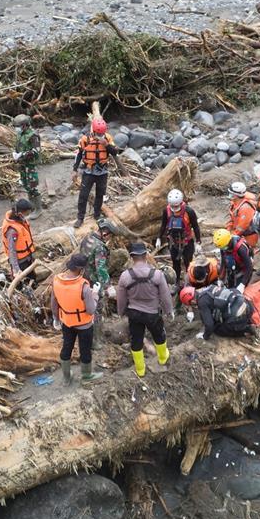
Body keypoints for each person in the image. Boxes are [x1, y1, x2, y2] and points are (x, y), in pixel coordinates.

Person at [116, 240, 174, 378]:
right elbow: (165, 295)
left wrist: (120, 312)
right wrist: (169, 311)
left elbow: (121, 297)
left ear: (131, 257)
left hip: (134, 314)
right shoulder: (157, 274)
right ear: (146, 255)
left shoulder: (125, 276)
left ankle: (140, 369)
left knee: (136, 340)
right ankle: (162, 358)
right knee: (159, 335)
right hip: (152, 313)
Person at [50, 253, 103, 385]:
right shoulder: (84, 286)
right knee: (85, 350)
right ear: (81, 269)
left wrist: (56, 319)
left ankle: (66, 377)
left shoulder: (56, 280)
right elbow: (91, 309)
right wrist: (95, 294)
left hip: (67, 322)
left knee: (67, 347)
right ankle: (86, 375)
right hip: (84, 325)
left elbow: (54, 303)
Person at [72, 118, 120, 228]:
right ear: (93, 130)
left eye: (102, 133)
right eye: (98, 133)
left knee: (100, 194)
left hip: (102, 172)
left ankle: (97, 215)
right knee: (83, 195)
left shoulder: (107, 138)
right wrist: (75, 170)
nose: (100, 135)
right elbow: (79, 154)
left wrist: (106, 144)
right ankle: (80, 218)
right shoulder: (86, 139)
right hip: (88, 171)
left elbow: (115, 152)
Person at [156, 189, 200, 288]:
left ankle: (190, 281)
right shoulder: (166, 211)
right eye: (172, 206)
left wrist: (198, 242)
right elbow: (163, 225)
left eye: (176, 206)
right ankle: (176, 282)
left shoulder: (189, 211)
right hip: (173, 242)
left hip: (187, 241)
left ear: (180, 203)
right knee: (175, 263)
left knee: (188, 262)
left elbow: (196, 227)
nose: (174, 208)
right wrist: (159, 238)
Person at [179, 283, 255, 340]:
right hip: (248, 306)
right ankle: (248, 321)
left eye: (190, 304)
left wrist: (205, 336)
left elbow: (210, 326)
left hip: (239, 315)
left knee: (217, 330)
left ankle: (246, 330)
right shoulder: (209, 288)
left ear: (192, 301)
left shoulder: (202, 302)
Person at [11, 115, 43, 218]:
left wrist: (22, 154)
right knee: (26, 185)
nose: (17, 128)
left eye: (18, 126)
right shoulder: (20, 134)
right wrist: (15, 153)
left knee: (32, 186)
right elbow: (18, 146)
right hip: (23, 164)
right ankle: (32, 207)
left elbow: (36, 151)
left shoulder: (33, 135)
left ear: (24, 125)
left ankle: (38, 209)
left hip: (30, 165)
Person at [1, 199, 36, 284]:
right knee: (24, 282)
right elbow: (12, 251)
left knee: (33, 278)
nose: (27, 216)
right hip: (20, 262)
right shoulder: (12, 231)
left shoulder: (20, 220)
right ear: (20, 213)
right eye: (27, 213)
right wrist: (16, 269)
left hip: (28, 257)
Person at [226, 181, 260, 253]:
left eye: (231, 193)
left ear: (235, 195)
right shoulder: (235, 203)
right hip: (238, 234)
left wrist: (231, 237)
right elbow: (232, 219)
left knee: (244, 253)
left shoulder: (245, 208)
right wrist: (228, 230)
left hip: (248, 237)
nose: (229, 195)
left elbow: (241, 227)